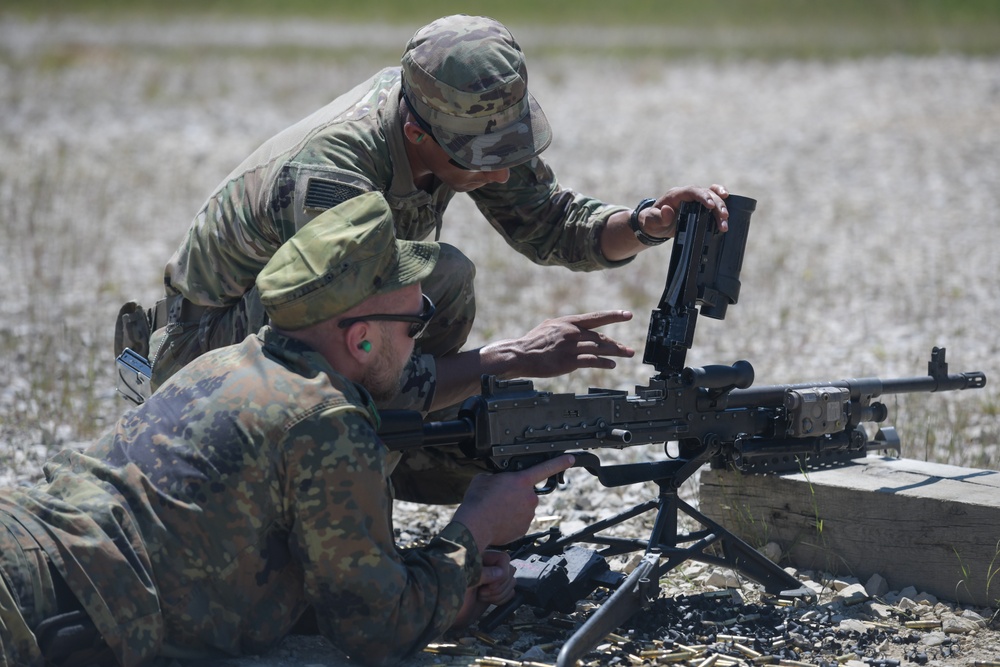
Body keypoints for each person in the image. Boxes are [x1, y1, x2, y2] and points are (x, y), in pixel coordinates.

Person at [118, 13, 728, 503]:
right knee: (442, 278)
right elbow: (343, 338)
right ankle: (324, 496)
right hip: (205, 354)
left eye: (507, 147)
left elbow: (551, 224)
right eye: (485, 157)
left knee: (492, 456)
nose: (501, 169)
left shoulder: (455, 113)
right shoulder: (333, 175)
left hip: (322, 326)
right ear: (416, 136)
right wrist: (508, 358)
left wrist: (648, 223)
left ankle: (383, 460)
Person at [2, 192, 578, 667]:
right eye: (416, 321)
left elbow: (304, 578)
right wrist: (476, 527)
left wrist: (448, 580)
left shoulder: (226, 362)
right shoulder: (327, 419)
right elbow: (376, 630)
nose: (418, 340)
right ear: (361, 339)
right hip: (37, 607)